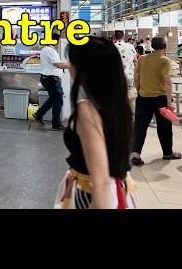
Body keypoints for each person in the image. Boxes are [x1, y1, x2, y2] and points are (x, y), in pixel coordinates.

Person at [54, 37, 137, 209]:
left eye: (73, 62)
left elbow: (101, 182)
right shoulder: (119, 102)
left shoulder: (87, 109)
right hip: (120, 189)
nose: (70, 66)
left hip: (91, 195)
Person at [131, 36, 181, 165]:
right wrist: (169, 102)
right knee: (164, 127)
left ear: (152, 46)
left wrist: (140, 90)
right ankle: (167, 153)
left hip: (143, 98)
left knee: (140, 127)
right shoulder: (165, 61)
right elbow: (167, 81)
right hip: (160, 99)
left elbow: (136, 78)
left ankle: (136, 155)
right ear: (165, 47)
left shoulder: (142, 59)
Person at [33, 33, 70, 130]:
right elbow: (59, 65)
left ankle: (39, 114)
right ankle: (56, 124)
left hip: (48, 78)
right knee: (58, 101)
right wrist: (71, 65)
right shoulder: (50, 50)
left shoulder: (45, 49)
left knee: (54, 99)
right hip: (52, 79)